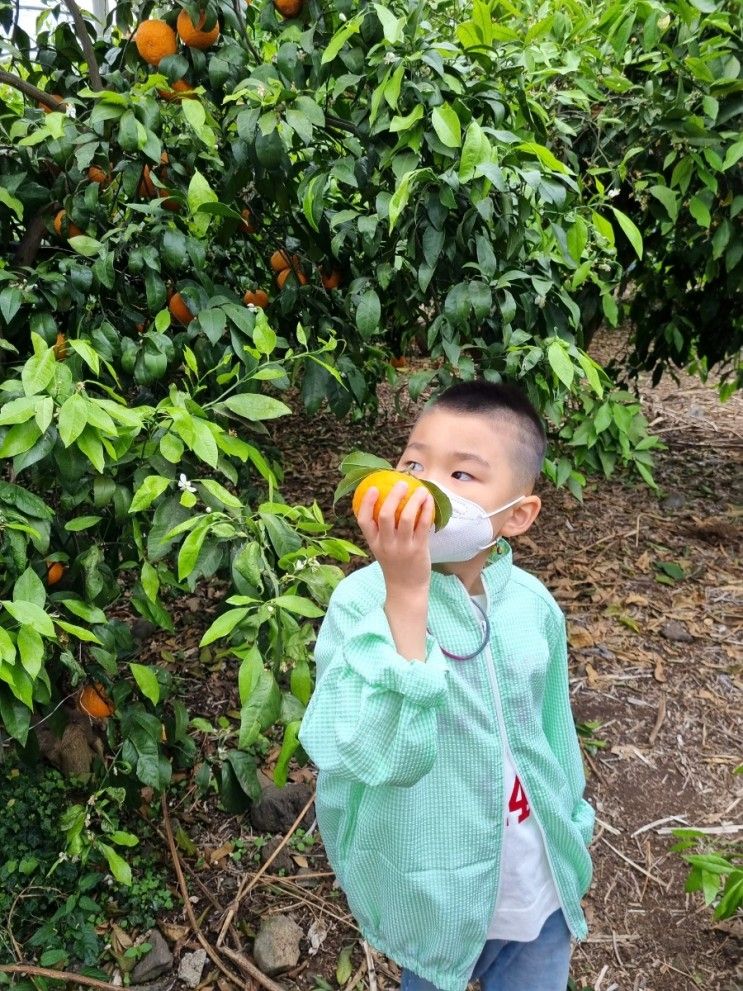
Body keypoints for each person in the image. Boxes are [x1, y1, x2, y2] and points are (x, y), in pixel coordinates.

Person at [298, 381, 594, 991]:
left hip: (538, 890)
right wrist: (406, 593)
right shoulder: (362, 604)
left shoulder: (532, 606)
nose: (424, 485)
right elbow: (374, 754)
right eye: (413, 462)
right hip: (433, 893)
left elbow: (554, 732)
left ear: (517, 515)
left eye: (461, 474)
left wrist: (574, 823)